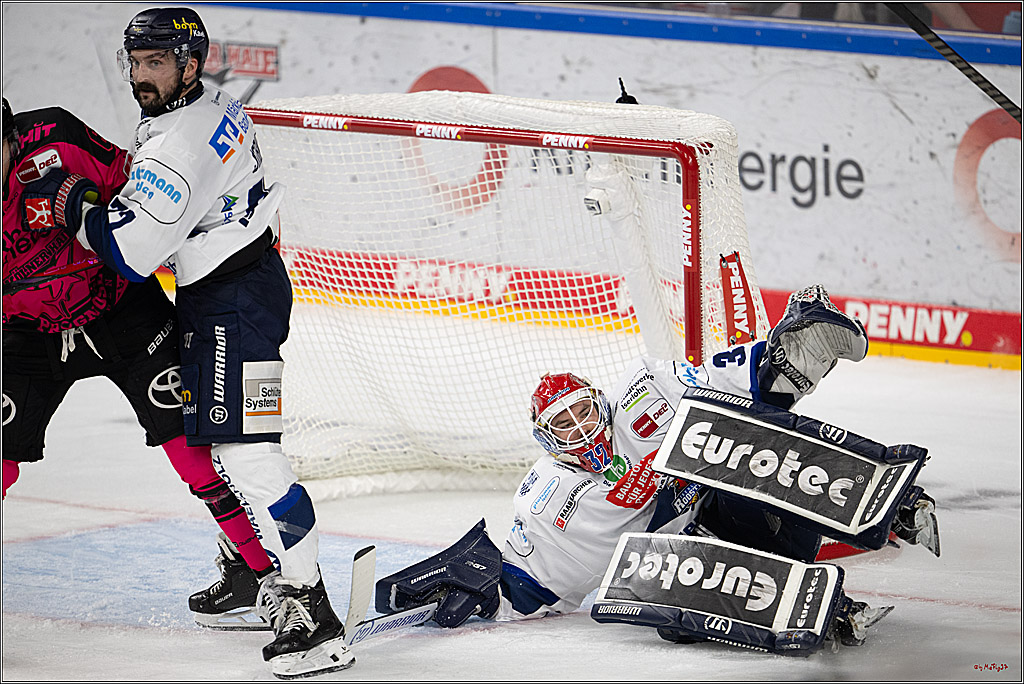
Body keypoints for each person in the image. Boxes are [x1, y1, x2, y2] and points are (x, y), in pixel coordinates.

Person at [13, 8, 351, 678]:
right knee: (215, 438)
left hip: (235, 305)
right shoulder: (208, 104)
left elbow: (129, 257)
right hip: (228, 289)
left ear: (189, 65)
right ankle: (250, 572)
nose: (142, 76)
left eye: (157, 63)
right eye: (136, 63)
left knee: (247, 455)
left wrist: (74, 199)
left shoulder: (179, 144)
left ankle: (313, 611)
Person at [375, 285, 941, 654]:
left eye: (582, 413)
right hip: (685, 555)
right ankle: (816, 603)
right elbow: (604, 520)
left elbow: (715, 381)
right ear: (547, 443)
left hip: (714, 513)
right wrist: (494, 588)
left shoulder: (642, 388)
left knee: (743, 433)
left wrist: (770, 367)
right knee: (665, 584)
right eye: (563, 427)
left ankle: (879, 496)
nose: (580, 431)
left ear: (601, 400)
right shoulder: (549, 492)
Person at [2, 96, 278, 624]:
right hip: (26, 333)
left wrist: (87, 211)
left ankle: (266, 578)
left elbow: (141, 209)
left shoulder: (59, 140)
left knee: (195, 453)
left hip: (122, 314)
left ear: (12, 137)